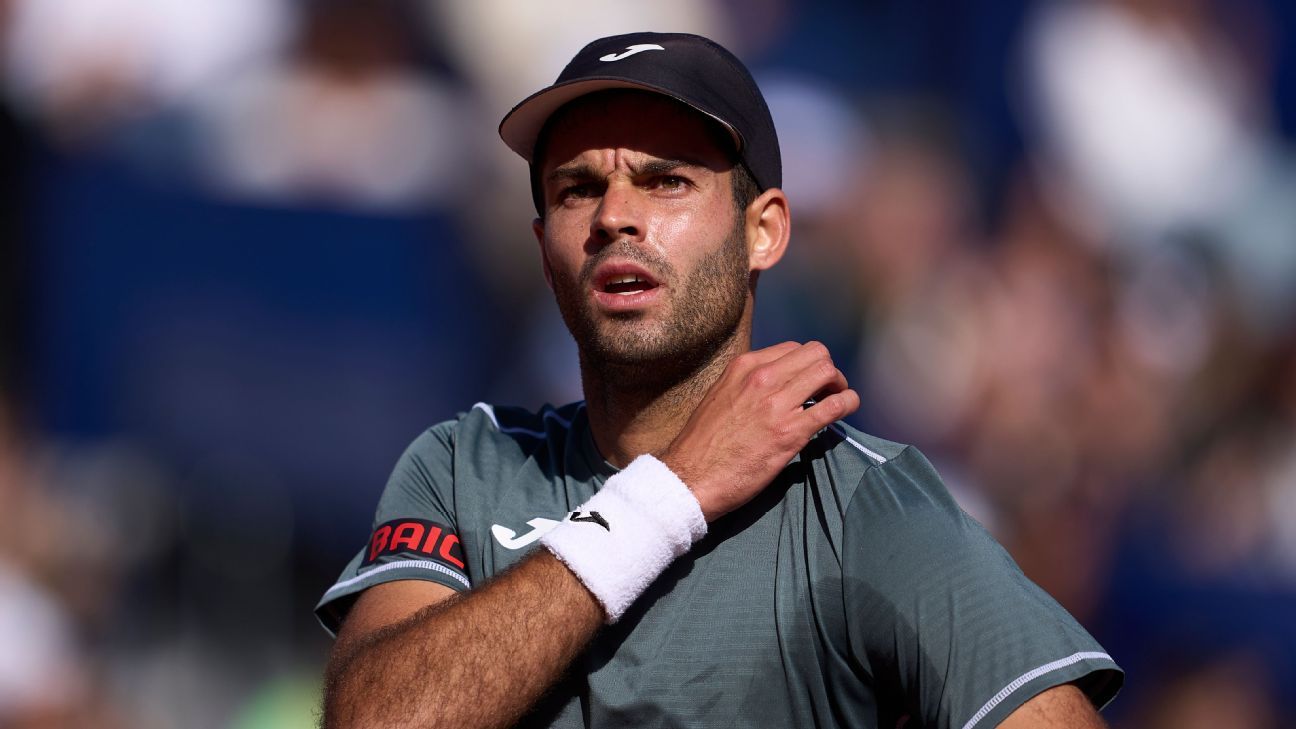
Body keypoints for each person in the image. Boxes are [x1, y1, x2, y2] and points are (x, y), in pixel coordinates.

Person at [316, 32, 1123, 729]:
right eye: (578, 188)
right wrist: (668, 495)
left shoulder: (862, 506)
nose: (614, 217)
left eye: (666, 180)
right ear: (542, 243)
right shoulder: (463, 465)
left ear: (762, 232)